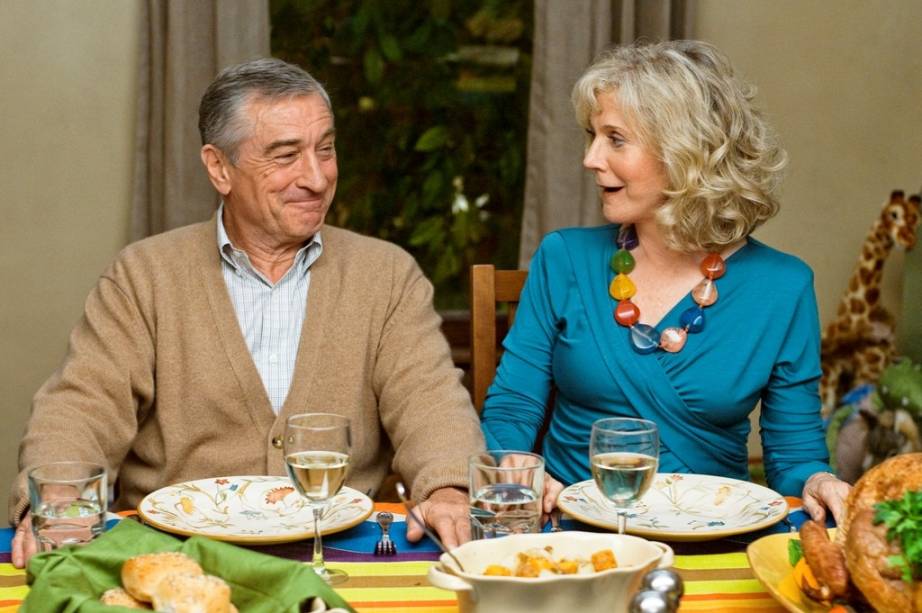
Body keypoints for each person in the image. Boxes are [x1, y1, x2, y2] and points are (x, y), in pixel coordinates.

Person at [10, 58, 485, 568]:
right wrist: (61, 498)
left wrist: (450, 488)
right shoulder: (143, 275)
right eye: (286, 156)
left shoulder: (386, 275)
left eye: (325, 149)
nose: (317, 177)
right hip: (174, 561)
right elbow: (82, 406)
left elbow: (430, 401)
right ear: (219, 168)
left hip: (338, 558)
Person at [480, 40, 851, 526]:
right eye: (592, 136)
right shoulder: (564, 257)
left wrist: (818, 480)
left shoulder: (784, 287)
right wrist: (518, 468)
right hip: (572, 530)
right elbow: (512, 408)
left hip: (712, 535)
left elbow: (794, 455)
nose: (590, 158)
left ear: (684, 153)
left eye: (615, 139)